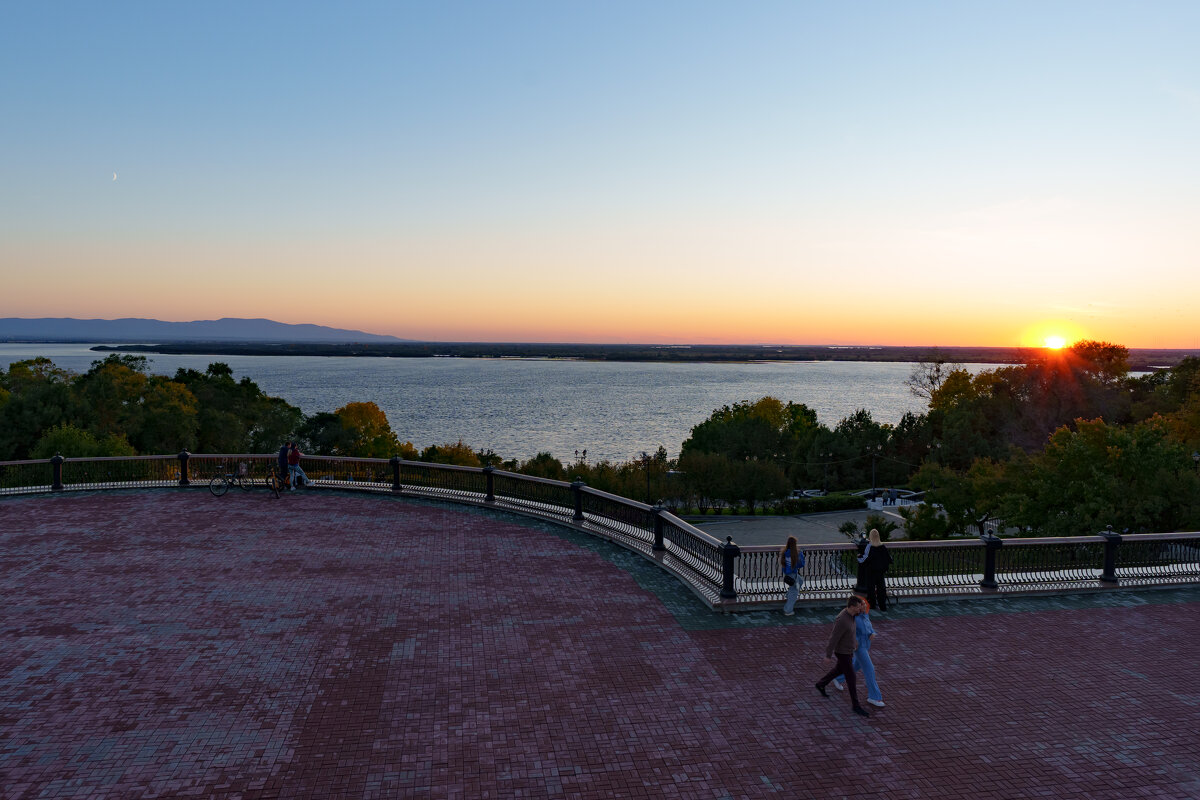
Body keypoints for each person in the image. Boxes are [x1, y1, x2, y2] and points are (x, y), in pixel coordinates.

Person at [814, 595, 870, 717]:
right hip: (842, 653)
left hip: (849, 650)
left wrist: (854, 640)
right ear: (852, 607)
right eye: (859, 607)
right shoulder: (842, 620)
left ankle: (821, 684)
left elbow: (853, 627)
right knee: (851, 678)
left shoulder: (852, 615)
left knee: (838, 670)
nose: (860, 609)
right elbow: (833, 638)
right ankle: (856, 706)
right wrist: (828, 655)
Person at [831, 601, 885, 707]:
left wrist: (872, 633)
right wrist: (856, 640)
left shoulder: (865, 615)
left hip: (866, 645)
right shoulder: (852, 618)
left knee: (855, 666)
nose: (865, 606)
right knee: (870, 669)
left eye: (865, 604)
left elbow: (869, 627)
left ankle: (838, 678)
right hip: (859, 648)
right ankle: (874, 697)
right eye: (862, 605)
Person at [857, 528, 892, 611]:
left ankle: (872, 605)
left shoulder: (870, 546)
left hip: (871, 571)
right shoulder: (883, 546)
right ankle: (883, 606)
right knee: (881, 589)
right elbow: (888, 559)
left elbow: (865, 558)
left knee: (871, 588)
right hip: (880, 571)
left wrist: (859, 557)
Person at [779, 536, 805, 616]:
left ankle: (788, 594)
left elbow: (783, 564)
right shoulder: (797, 553)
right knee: (794, 592)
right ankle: (788, 610)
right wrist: (802, 555)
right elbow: (801, 564)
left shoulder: (784, 552)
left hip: (787, 574)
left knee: (800, 581)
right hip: (793, 574)